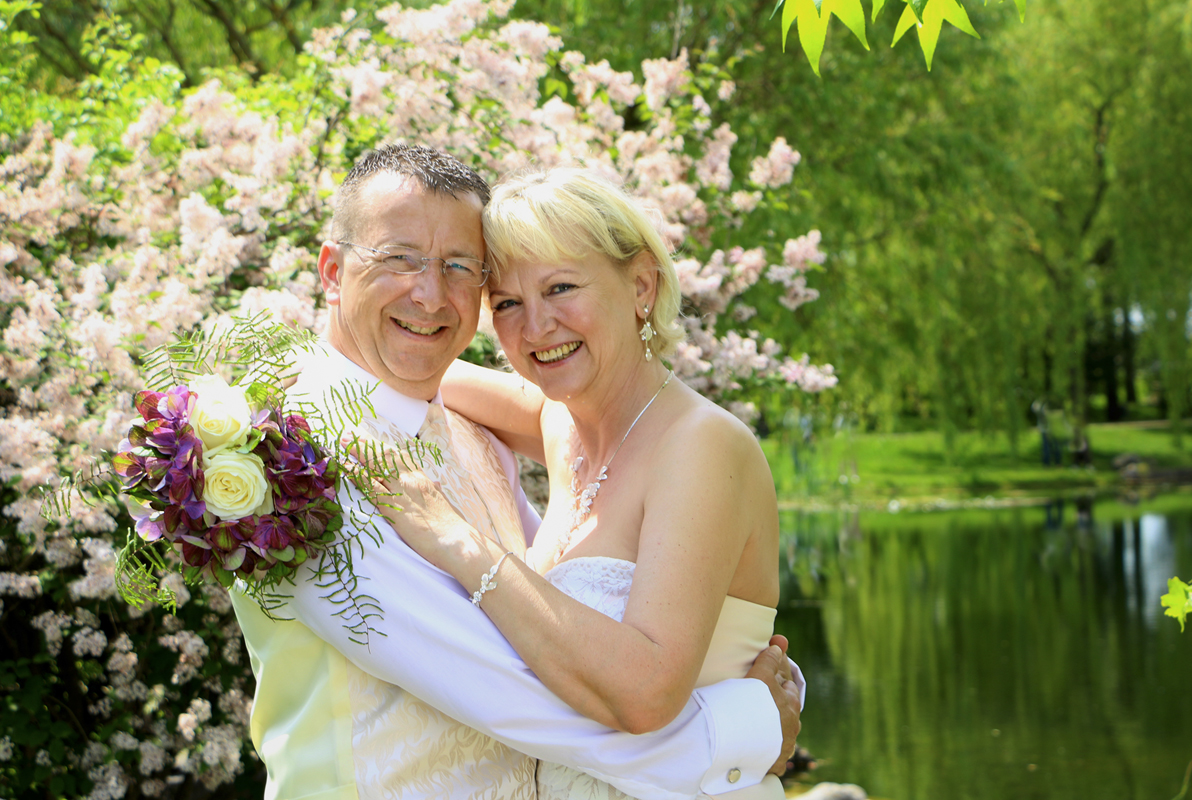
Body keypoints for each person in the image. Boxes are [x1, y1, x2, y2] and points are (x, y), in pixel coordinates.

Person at [229, 145, 803, 800]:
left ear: (640, 287)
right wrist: (746, 729)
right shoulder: (303, 463)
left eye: (560, 287)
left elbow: (421, 366)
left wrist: (457, 540)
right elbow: (507, 680)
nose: (533, 326)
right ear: (333, 272)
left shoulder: (685, 444)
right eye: (504, 303)